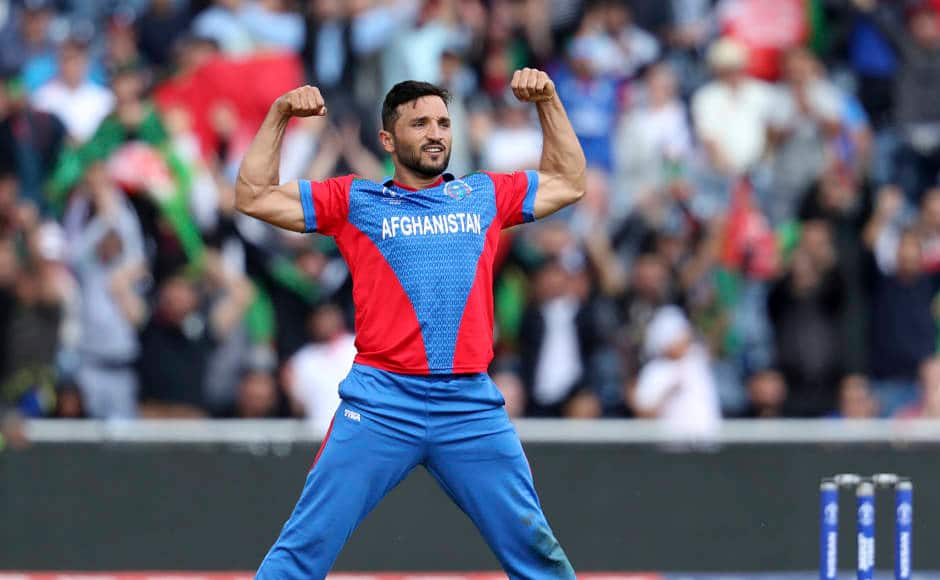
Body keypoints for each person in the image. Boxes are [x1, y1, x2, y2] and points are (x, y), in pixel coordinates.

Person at [236, 69, 585, 578]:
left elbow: (569, 181)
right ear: (387, 139)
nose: (435, 132)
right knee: (301, 551)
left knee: (539, 558)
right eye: (419, 123)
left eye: (443, 122)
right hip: (382, 403)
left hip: (469, 405)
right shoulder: (357, 201)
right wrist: (279, 115)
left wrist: (549, 100)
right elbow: (253, 195)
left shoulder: (484, 195)